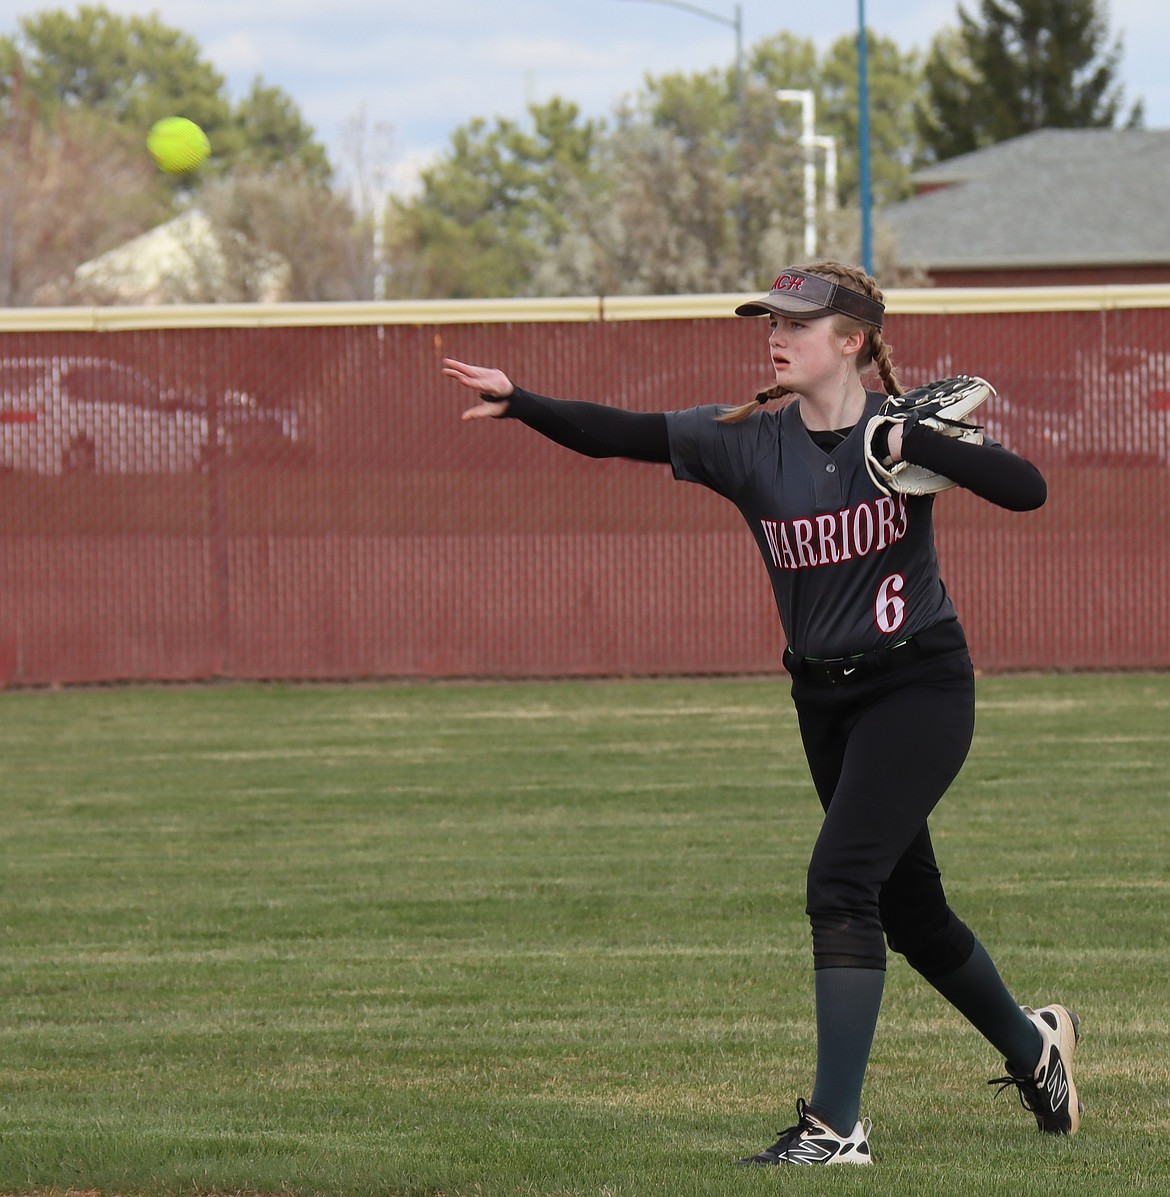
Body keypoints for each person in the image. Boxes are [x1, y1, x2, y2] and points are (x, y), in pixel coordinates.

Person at [441, 261, 1080, 1166]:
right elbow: (619, 434)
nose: (774, 335)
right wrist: (523, 400)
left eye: (795, 323)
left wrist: (922, 446)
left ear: (852, 340)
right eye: (768, 322)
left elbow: (1028, 489)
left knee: (840, 884)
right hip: (824, 701)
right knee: (914, 913)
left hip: (919, 688)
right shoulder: (747, 441)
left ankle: (836, 1128)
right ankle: (1035, 1045)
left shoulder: (895, 434)